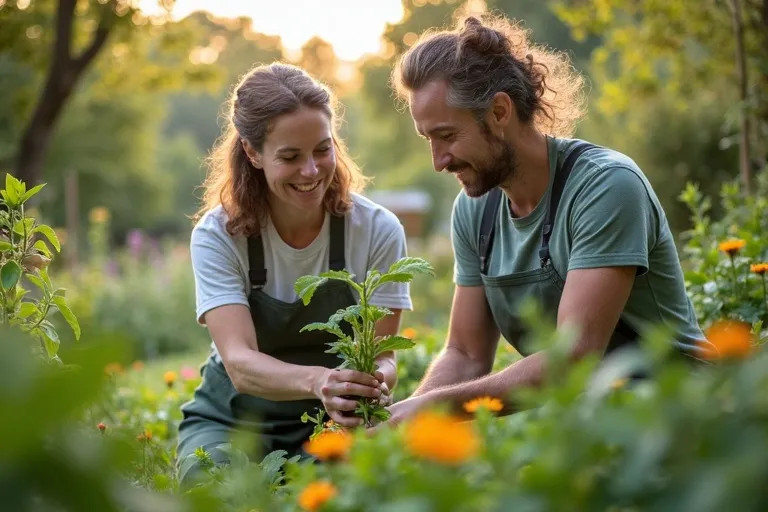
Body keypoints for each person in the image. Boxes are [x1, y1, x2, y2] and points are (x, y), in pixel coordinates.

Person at [381, 14, 711, 424]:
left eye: (447, 136)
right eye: (428, 139)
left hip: (686, 419)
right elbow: (465, 354)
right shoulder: (475, 209)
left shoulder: (605, 187)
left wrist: (429, 409)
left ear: (499, 112)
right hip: (592, 426)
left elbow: (574, 357)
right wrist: (402, 428)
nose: (438, 161)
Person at [176, 62, 413, 487]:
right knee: (212, 489)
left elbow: (384, 354)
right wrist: (320, 380)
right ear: (252, 153)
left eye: (322, 149)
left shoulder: (376, 230)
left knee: (357, 489)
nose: (311, 171)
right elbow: (240, 363)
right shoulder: (218, 235)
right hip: (233, 420)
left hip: (333, 425)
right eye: (290, 156)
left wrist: (371, 384)